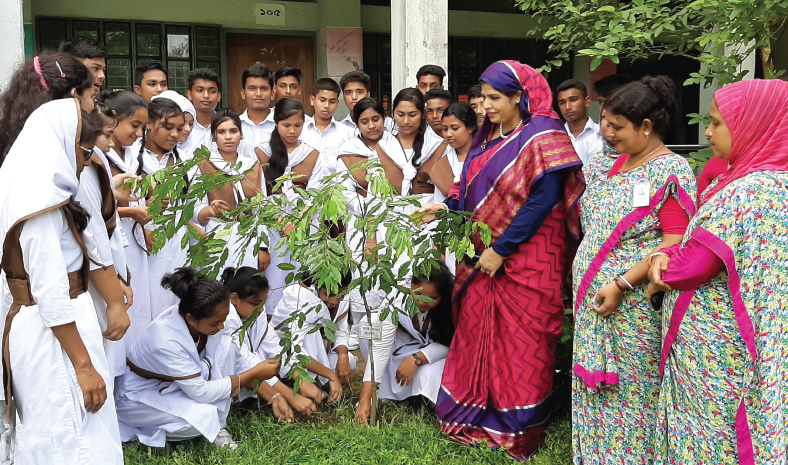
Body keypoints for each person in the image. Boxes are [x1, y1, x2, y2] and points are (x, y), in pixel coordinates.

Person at [412, 61, 585, 460]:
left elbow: (543, 199)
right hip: (479, 256)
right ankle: (471, 413)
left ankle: (516, 425)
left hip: (527, 257)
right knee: (476, 332)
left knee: (521, 340)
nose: (484, 106)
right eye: (483, 98)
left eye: (494, 98)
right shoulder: (489, 137)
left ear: (519, 98)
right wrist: (445, 208)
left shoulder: (543, 134)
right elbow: (471, 188)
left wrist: (502, 249)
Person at [647, 79, 788, 464]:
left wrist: (662, 263)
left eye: (717, 123)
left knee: (709, 433)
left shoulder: (746, 190)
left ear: (751, 126)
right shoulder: (775, 181)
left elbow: (694, 267)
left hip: (717, 346)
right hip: (752, 337)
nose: (707, 131)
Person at [571, 76, 697, 464]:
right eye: (606, 124)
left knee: (630, 390)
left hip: (632, 307)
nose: (608, 134)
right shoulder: (607, 164)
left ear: (646, 126)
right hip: (592, 296)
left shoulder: (671, 171)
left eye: (618, 127)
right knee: (592, 387)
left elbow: (676, 240)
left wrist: (623, 282)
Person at [0, 98, 123, 463]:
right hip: (52, 333)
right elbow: (50, 292)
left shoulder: (42, 193)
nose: (86, 160)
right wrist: (84, 367)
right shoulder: (37, 206)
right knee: (68, 434)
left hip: (64, 324)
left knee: (81, 429)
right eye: (83, 149)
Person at [115, 267, 286, 449]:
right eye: (215, 323)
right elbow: (202, 392)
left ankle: (217, 425)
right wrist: (252, 374)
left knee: (227, 349)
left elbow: (239, 356)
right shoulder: (164, 340)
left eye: (225, 318)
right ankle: (147, 426)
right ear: (190, 319)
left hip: (175, 386)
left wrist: (275, 393)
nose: (222, 326)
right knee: (201, 419)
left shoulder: (207, 315)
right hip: (138, 395)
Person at [356, 261, 455, 421]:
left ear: (443, 295)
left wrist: (417, 358)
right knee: (371, 326)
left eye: (432, 298)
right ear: (411, 286)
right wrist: (365, 399)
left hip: (431, 355)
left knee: (432, 375)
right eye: (418, 294)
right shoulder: (396, 300)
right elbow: (380, 351)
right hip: (396, 351)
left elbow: (451, 344)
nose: (422, 302)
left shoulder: (451, 306)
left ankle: (425, 395)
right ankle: (383, 390)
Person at [100, 91, 155, 373]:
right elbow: (92, 207)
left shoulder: (132, 155)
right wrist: (131, 212)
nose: (138, 132)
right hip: (111, 239)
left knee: (140, 303)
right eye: (134, 125)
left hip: (133, 239)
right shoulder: (101, 155)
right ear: (114, 119)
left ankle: (137, 366)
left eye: (143, 128)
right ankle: (120, 371)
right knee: (123, 302)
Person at [220, 266, 318, 416]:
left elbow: (274, 346)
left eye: (263, 303)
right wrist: (288, 395)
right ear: (234, 299)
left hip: (247, 372)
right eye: (256, 303)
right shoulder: (226, 319)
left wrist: (299, 379)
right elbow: (242, 362)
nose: (260, 309)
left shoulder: (256, 312)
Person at [254, 98, 319, 315]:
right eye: (286, 125)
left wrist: (298, 221)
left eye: (297, 125)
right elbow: (259, 195)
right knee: (275, 276)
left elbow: (316, 193)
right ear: (275, 123)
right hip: (273, 225)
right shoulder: (262, 152)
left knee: (301, 275)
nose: (292, 131)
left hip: (304, 225)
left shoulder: (313, 153)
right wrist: (279, 220)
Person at [133, 98, 197, 314]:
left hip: (176, 244)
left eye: (180, 129)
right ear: (149, 124)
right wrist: (142, 229)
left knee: (173, 298)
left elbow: (189, 207)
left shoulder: (185, 161)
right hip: (143, 242)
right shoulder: (132, 158)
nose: (175, 135)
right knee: (145, 300)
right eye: (168, 128)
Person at [195, 109, 269, 271]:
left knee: (246, 289)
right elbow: (195, 209)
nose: (228, 137)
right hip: (216, 234)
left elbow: (262, 209)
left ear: (241, 134)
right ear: (214, 136)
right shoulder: (203, 165)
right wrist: (210, 210)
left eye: (233, 131)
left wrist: (263, 247)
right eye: (221, 132)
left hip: (249, 237)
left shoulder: (253, 166)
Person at [0, 52, 95, 161]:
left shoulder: (13, 139)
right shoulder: (54, 152)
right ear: (75, 96)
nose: (94, 105)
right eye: (92, 97)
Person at [270, 272, 347, 405]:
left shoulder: (343, 295)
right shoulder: (300, 298)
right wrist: (331, 376)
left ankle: (318, 383)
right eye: (330, 295)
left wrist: (343, 355)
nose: (335, 301)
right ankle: (301, 382)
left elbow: (341, 332)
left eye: (340, 296)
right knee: (312, 332)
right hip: (288, 356)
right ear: (316, 286)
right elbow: (295, 351)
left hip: (319, 351)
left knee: (350, 361)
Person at [301, 78, 354, 182]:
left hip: (339, 194)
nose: (326, 106)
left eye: (332, 101)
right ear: (312, 100)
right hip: (306, 194)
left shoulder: (348, 133)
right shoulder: (301, 131)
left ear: (337, 104)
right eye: (322, 100)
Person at [556, 79, 602, 164]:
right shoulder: (556, 139)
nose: (567, 107)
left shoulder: (601, 134)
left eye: (573, 100)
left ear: (587, 101)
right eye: (562, 103)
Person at [186, 68, 223, 158]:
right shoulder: (182, 128)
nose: (206, 95)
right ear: (189, 94)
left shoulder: (227, 126)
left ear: (219, 96)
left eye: (212, 91)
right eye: (200, 90)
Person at [239, 63, 276, 149]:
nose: (258, 94)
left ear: (272, 93)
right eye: (252, 88)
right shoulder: (234, 126)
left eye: (264, 88)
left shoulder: (282, 124)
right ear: (243, 93)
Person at [152, 90, 197, 155]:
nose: (188, 129)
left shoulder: (195, 151)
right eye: (182, 124)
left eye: (191, 124)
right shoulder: (137, 153)